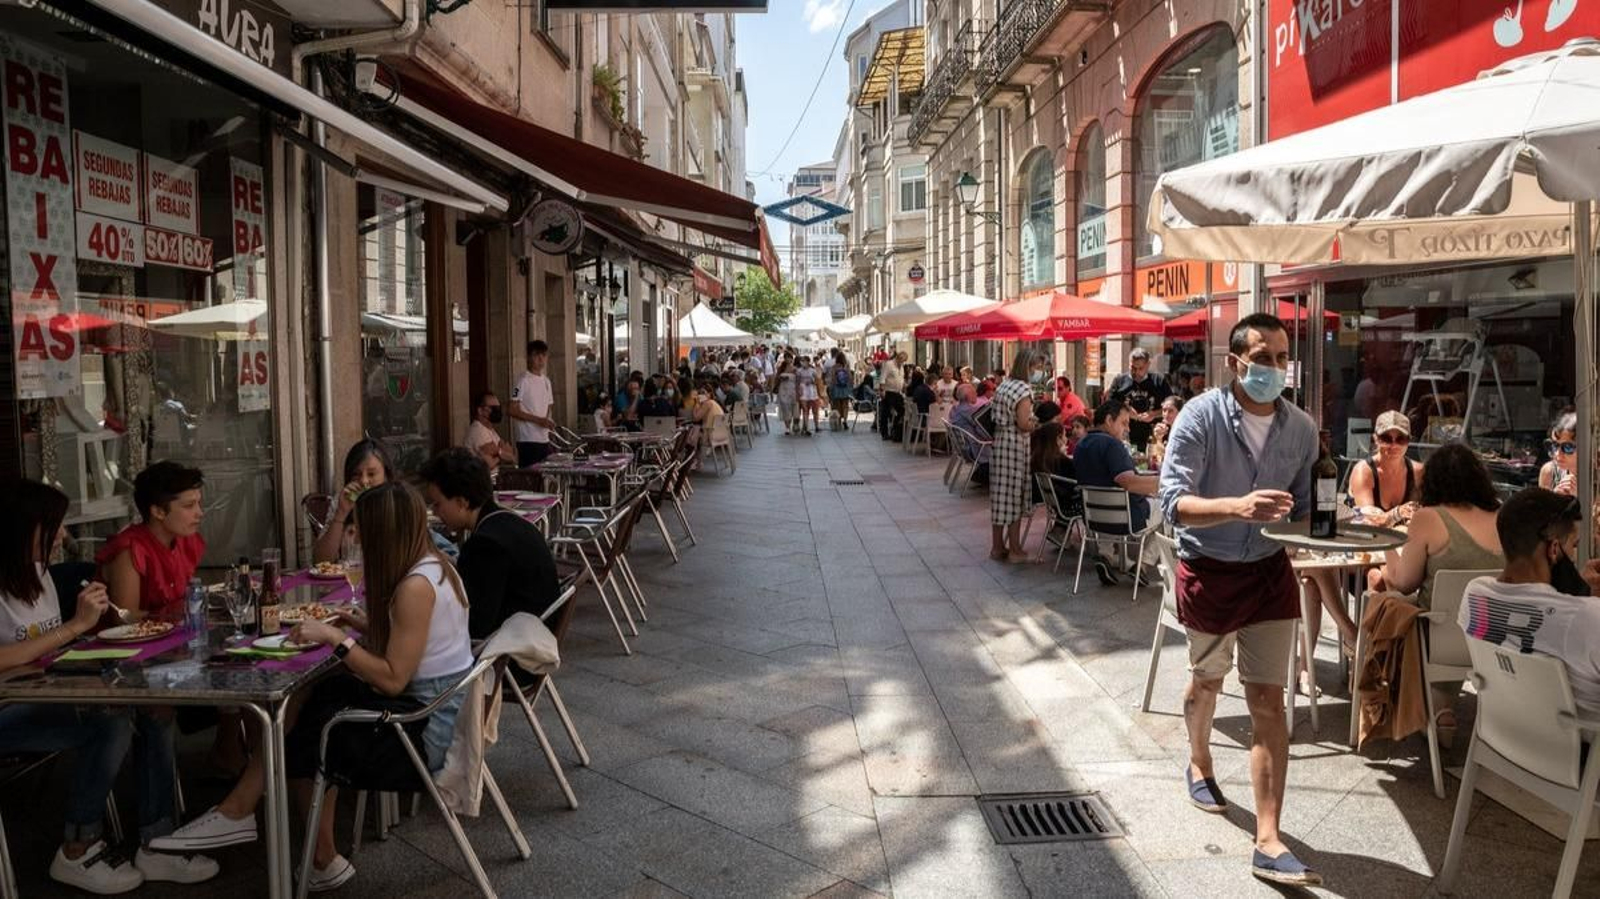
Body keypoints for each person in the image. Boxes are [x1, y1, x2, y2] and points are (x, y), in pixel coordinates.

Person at [153, 484, 473, 892]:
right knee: (314, 698)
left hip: (422, 735)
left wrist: (336, 639)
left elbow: (393, 679)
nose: (357, 542)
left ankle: (270, 828)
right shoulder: (436, 566)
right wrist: (357, 624)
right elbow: (412, 646)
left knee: (306, 729)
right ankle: (251, 815)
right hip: (435, 712)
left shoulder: (414, 587)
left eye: (361, 532)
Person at [1157, 313, 1322, 886]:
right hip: (1209, 566)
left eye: (1281, 358)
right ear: (1234, 363)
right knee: (1207, 681)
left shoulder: (1301, 428)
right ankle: (1199, 759)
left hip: (1269, 570)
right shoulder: (1200, 417)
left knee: (1268, 700)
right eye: (1263, 358)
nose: (1274, 368)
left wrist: (1333, 527)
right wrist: (1237, 507)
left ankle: (1269, 839)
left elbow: (1306, 507)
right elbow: (1172, 502)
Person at [2, 480, 218, 892]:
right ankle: (78, 848)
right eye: (54, 526)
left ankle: (158, 841)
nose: (63, 535)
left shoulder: (37, 573)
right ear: (22, 528)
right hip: (8, 707)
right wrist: (74, 627)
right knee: (109, 721)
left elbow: (51, 650)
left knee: (153, 705)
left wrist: (80, 636)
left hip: (45, 688)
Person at [1459, 488, 1600, 720]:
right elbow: (1571, 622)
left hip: (1507, 733)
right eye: (1574, 546)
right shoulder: (1587, 618)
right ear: (1553, 549)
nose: (1574, 555)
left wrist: (1585, 599)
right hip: (1582, 741)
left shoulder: (1475, 596)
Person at [420, 449, 560, 638]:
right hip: (537, 628)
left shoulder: (485, 543)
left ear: (462, 502)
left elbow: (475, 625)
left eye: (437, 504)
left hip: (515, 644)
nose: (435, 512)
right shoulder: (506, 520)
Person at [314, 440, 456, 565]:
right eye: (356, 474)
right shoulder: (342, 502)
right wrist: (341, 513)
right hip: (348, 582)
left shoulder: (400, 504)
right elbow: (321, 561)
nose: (363, 481)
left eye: (371, 474)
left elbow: (425, 551)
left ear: (386, 476)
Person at [99, 460, 206, 617]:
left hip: (174, 627)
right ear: (158, 512)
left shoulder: (185, 540)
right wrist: (180, 615)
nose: (200, 513)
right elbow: (125, 618)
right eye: (189, 506)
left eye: (198, 503)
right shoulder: (130, 551)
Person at [1073, 400, 1161, 584]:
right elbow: (1128, 482)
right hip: (1128, 518)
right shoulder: (1112, 445)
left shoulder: (1080, 445)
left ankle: (1106, 556)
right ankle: (1142, 565)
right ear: (1108, 420)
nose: (1127, 429)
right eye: (1124, 423)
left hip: (1094, 518)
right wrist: (1162, 483)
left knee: (1111, 501)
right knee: (1169, 509)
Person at [989, 349, 1047, 561]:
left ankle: (997, 547)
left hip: (1000, 444)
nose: (1040, 372)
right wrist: (1037, 424)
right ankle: (1015, 549)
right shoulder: (1023, 389)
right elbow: (1023, 424)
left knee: (1000, 497)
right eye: (1038, 368)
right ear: (1027, 367)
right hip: (1014, 446)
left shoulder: (1004, 385)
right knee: (1014, 496)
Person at [1348, 410, 1424, 527]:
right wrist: (1398, 513)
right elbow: (1369, 522)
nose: (1393, 445)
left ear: (1409, 441)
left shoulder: (1418, 472)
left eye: (1401, 439)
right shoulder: (1363, 471)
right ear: (1375, 439)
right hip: (1369, 538)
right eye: (1386, 439)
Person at [1109, 347, 1172, 450]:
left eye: (1140, 368)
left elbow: (1172, 408)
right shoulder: (1119, 381)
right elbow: (1109, 406)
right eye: (1133, 368)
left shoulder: (1159, 381)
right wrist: (1126, 410)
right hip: (1124, 436)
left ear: (1148, 365)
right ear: (1129, 363)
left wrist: (1153, 414)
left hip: (1152, 436)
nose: (1136, 372)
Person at [509, 340, 557, 466]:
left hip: (544, 438)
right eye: (536, 355)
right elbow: (512, 409)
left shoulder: (546, 382)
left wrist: (547, 422)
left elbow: (549, 406)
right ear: (529, 357)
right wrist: (538, 420)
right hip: (528, 439)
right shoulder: (522, 381)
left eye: (543, 355)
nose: (541, 359)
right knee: (530, 473)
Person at [466, 390, 516, 472]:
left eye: (498, 407)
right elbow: (489, 464)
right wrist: (501, 452)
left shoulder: (491, 430)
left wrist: (498, 451)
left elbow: (512, 455)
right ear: (480, 411)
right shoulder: (478, 431)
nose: (497, 410)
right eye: (493, 408)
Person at [1538, 411, 1579, 496]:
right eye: (1554, 445)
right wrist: (1555, 498)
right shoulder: (1550, 472)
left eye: (1568, 447)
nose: (1557, 454)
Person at [1146, 396, 1185, 469]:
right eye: (1164, 410)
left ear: (1180, 412)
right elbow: (1153, 459)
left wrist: (1159, 440)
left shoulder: (1183, 431)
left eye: (1171, 411)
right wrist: (1157, 438)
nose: (1166, 414)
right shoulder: (1162, 429)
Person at [878, 352, 907, 442]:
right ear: (898, 358)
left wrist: (903, 386)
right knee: (885, 413)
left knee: (902, 410)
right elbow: (882, 377)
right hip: (888, 391)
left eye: (904, 361)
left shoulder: (901, 367)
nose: (903, 362)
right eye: (902, 360)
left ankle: (894, 429)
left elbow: (901, 378)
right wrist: (882, 390)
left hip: (897, 392)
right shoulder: (889, 364)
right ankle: (884, 433)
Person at [796, 355, 820, 435]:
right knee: (805, 409)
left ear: (808, 362)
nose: (803, 363)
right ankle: (807, 428)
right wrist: (798, 391)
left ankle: (816, 426)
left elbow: (817, 381)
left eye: (804, 361)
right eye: (802, 361)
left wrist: (812, 382)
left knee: (815, 410)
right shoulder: (799, 371)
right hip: (803, 390)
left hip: (812, 391)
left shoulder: (813, 370)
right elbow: (797, 381)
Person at [775, 359, 800, 435]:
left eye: (791, 364)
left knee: (795, 409)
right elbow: (777, 380)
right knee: (785, 409)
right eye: (788, 365)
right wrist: (780, 378)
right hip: (783, 391)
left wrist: (798, 391)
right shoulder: (781, 372)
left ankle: (795, 424)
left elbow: (798, 381)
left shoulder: (795, 371)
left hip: (793, 391)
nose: (790, 366)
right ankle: (787, 428)